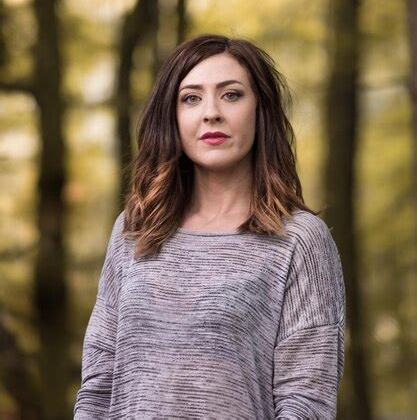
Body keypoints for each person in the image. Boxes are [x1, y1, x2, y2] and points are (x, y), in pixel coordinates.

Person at [73, 33, 346, 419]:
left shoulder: (299, 241)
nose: (211, 112)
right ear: (173, 116)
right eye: (191, 98)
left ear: (260, 110)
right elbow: (98, 384)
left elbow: (307, 402)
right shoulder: (135, 230)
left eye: (231, 95)